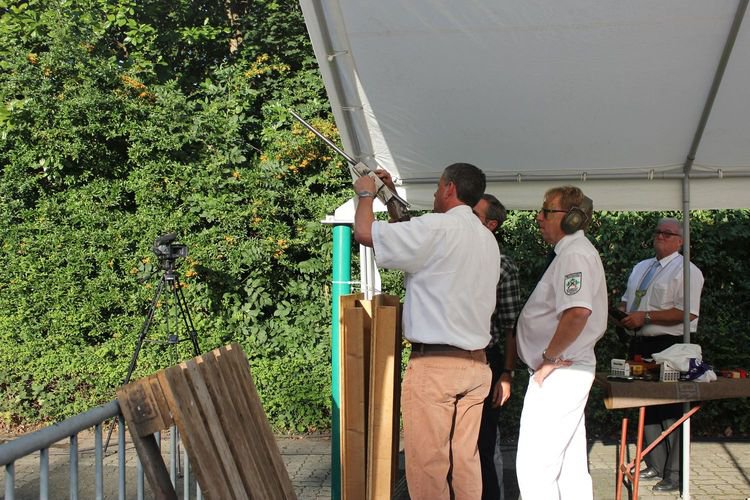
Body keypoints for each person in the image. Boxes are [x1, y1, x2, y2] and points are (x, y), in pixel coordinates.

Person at [353, 163, 501, 500]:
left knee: (428, 468)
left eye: (437, 186)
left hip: (436, 367)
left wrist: (365, 194)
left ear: (450, 188)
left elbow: (364, 233)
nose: (434, 193)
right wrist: (389, 197)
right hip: (476, 365)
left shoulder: (436, 227)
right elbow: (410, 237)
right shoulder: (486, 238)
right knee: (465, 463)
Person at [515, 186, 607, 499]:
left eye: (546, 211)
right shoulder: (572, 253)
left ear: (572, 218)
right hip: (565, 370)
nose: (538, 217)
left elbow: (577, 312)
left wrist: (549, 359)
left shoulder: (575, 254)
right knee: (569, 468)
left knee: (535, 467)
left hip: (560, 371)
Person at [617, 217, 704, 493]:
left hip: (671, 346)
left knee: (671, 409)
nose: (661, 236)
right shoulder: (641, 267)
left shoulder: (688, 271)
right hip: (639, 343)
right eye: (658, 232)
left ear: (681, 241)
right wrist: (622, 314)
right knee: (646, 404)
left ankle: (675, 474)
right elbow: (627, 301)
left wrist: (646, 316)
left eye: (668, 233)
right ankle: (656, 464)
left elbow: (688, 312)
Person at [473, 194, 521, 500]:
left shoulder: (502, 266)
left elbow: (511, 326)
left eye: (474, 215)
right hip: (453, 358)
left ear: (491, 225)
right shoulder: (451, 255)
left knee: (484, 442)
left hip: (487, 360)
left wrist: (507, 373)